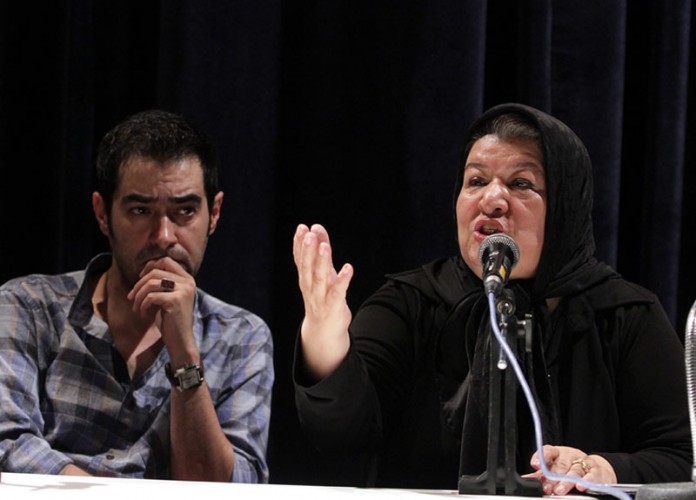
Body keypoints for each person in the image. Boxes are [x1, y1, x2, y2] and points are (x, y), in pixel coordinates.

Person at [292, 103, 692, 495]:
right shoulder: (413, 301)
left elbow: (681, 457)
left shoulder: (624, 315)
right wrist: (324, 337)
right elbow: (340, 436)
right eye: (476, 181)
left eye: (521, 184)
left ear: (566, 207)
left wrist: (604, 468)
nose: (492, 200)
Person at [0, 110, 274, 482]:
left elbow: (229, 489)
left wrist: (183, 352)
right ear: (102, 213)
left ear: (214, 213)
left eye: (185, 211)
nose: (164, 236)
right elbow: (7, 440)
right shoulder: (27, 307)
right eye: (141, 210)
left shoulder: (241, 336)